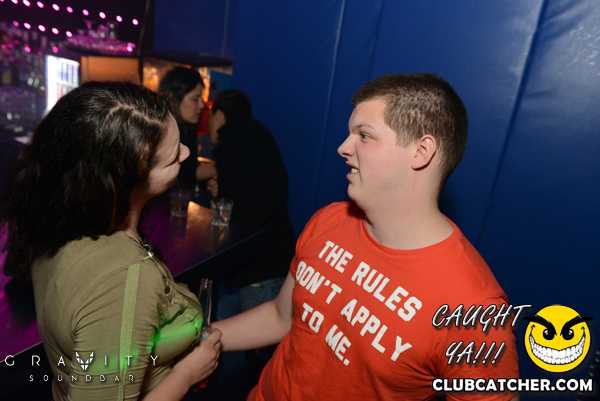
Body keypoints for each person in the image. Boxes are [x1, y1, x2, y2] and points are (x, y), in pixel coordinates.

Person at [213, 73, 520, 400]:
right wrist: (198, 338)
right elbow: (280, 316)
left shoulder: (473, 310)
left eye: (364, 135)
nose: (343, 148)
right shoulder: (329, 220)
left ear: (421, 151)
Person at [0, 81, 222, 400]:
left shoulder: (57, 217)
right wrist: (186, 374)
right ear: (126, 181)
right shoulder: (124, 278)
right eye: (174, 157)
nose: (186, 153)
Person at [158, 66, 208, 190]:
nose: (202, 105)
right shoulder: (159, 133)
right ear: (172, 98)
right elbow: (188, 173)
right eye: (195, 99)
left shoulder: (187, 129)